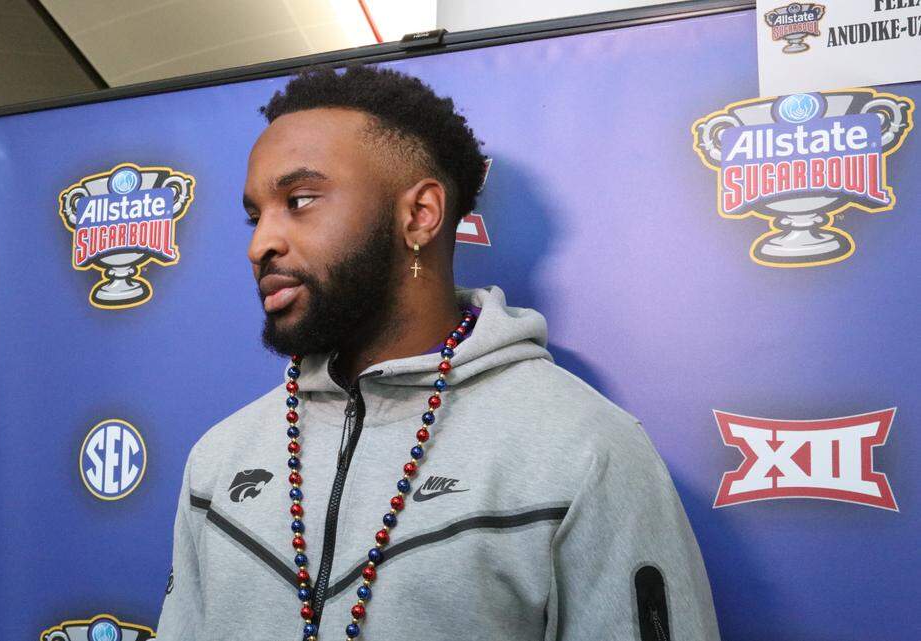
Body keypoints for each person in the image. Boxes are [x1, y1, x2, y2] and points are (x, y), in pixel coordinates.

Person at [156, 64, 719, 641]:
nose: (260, 244)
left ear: (420, 215)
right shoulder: (220, 458)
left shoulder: (585, 450)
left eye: (299, 200)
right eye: (255, 216)